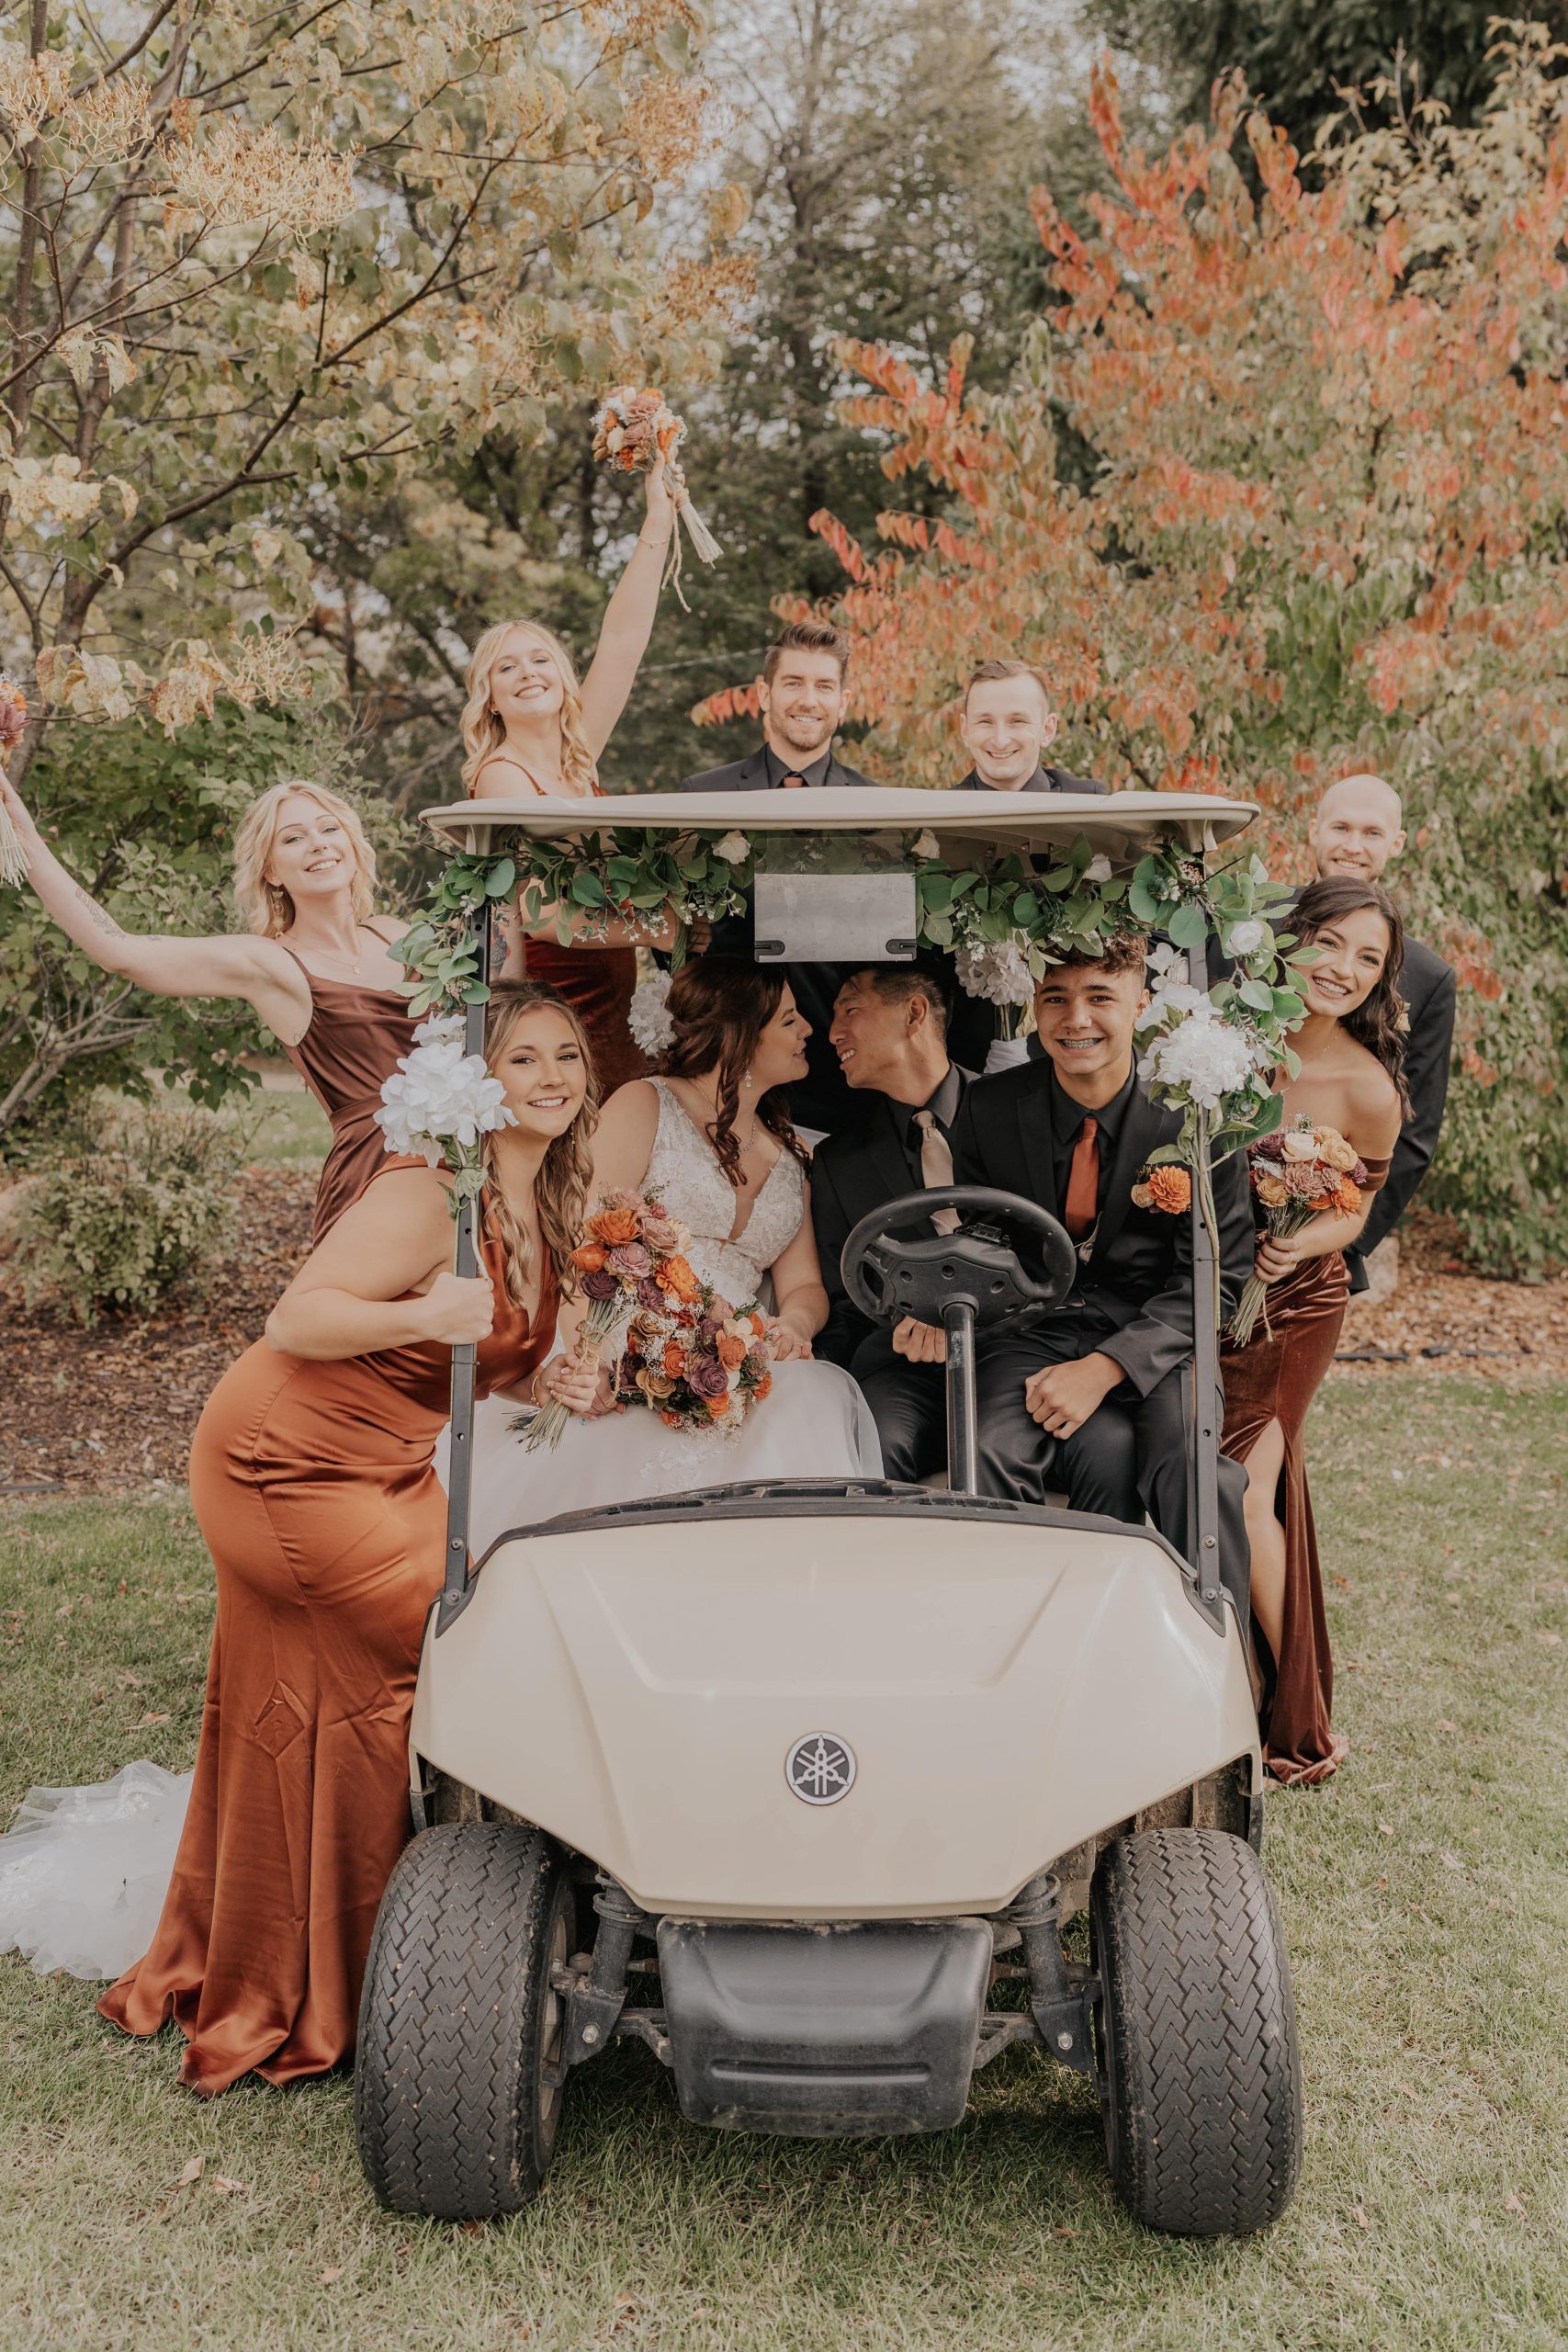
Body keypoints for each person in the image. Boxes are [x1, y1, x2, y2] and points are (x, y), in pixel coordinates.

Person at [0, 986, 598, 2086]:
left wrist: (545, 1373)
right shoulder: (429, 1192)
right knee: (426, 1650)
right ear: (479, 1081)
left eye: (567, 1054)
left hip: (387, 1465)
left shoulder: (541, 1193)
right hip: (281, 1459)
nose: (553, 1074)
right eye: (525, 1058)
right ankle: (378, 1969)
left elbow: (487, 1353)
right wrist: (427, 1313)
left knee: (401, 1663)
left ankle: (350, 1948)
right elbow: (301, 1317)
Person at [890, 935, 1256, 1612]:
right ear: (1034, 1005)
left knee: (1192, 1468)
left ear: (1141, 1005)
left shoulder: (1197, 1115)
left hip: (1157, 1334)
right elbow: (980, 1237)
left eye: (1099, 998)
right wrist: (935, 1302)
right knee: (985, 1445)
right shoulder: (991, 1106)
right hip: (1033, 1324)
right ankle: (1004, 1627)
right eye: (1054, 998)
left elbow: (1217, 1278)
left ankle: (1226, 1657)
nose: (1074, 1019)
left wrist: (1106, 1367)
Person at [463, 959, 881, 1551]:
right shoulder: (645, 1104)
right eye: (789, 1020)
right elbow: (585, 1244)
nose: (808, 1030)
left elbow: (805, 1288)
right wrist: (593, 1358)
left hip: (734, 1357)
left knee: (810, 1395)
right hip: (621, 1335)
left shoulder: (791, 1157)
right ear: (740, 1035)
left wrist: (792, 1324)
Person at [0, 771, 413, 1242]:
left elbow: (496, 995)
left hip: (464, 1165)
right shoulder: (270, 962)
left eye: (329, 828)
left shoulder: (396, 934)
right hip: (374, 1180)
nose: (318, 844)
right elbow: (119, 950)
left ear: (353, 844)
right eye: (294, 838)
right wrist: (23, 836)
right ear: (272, 871)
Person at [1221, 876, 1404, 1785]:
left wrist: (1296, 1247)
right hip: (1213, 1291)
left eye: (1368, 959)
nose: (1344, 969)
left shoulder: (1367, 1087)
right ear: (1293, 940)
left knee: (1250, 1490)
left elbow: (1355, 1215)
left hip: (1296, 1303)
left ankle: (1301, 1718)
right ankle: (1236, 1678)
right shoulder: (1231, 1040)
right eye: (1331, 944)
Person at [676, 621, 991, 1126]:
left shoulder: (882, 812)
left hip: (845, 1078)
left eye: (824, 687)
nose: (808, 700)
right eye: (794, 683)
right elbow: (676, 935)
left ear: (843, 702)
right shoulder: (701, 796)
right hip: (732, 1066)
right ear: (764, 693)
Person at [464, 455, 690, 1095]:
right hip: (553, 1007)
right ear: (489, 699)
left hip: (611, 996)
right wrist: (663, 927)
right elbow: (538, 915)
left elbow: (621, 640)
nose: (528, 671)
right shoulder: (501, 776)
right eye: (506, 668)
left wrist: (656, 518)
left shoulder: (576, 757)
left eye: (541, 658)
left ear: (563, 679)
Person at [811, 963, 978, 1482]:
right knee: (875, 1442)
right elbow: (846, 1301)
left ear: (914, 1013)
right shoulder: (839, 1162)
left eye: (851, 1010)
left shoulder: (1016, 1112)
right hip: (903, 1369)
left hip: (1022, 1349)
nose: (833, 1032)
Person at [1303, 773, 1456, 1294]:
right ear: (1313, 831)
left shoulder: (1428, 977)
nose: (1352, 845)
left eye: (1371, 833)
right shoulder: (1251, 924)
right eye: (1341, 827)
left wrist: (1339, 1241)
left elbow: (1414, 1135)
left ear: (1396, 844)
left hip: (1318, 1240)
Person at [955, 660, 1108, 795]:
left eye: (1017, 721)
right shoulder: (938, 816)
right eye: (985, 722)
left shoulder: (1088, 802)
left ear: (1047, 730)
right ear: (965, 730)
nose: (1000, 741)